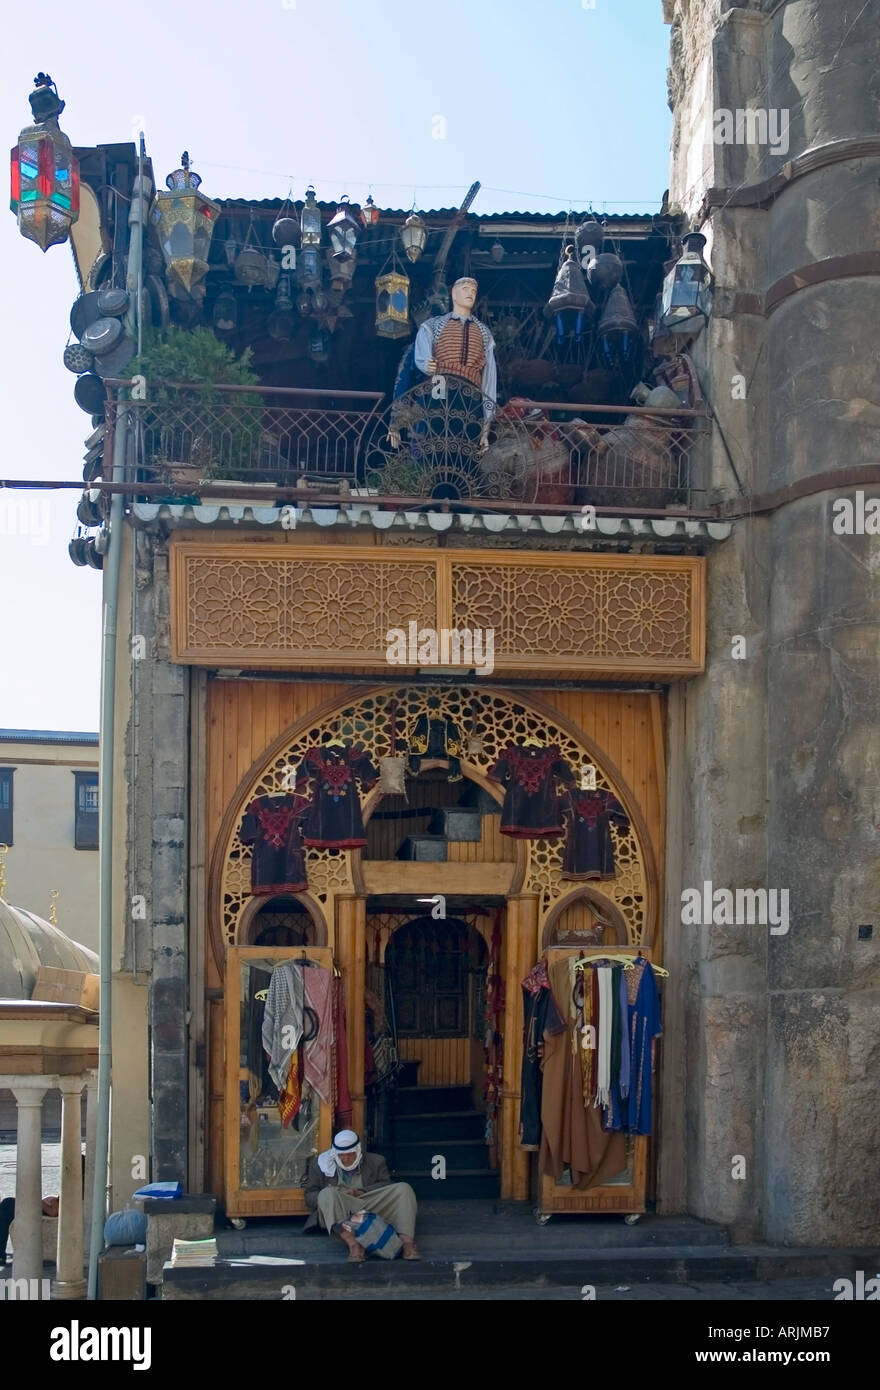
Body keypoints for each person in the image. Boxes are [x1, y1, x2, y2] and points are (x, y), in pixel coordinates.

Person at [303, 1129, 420, 1262]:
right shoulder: (320, 1164)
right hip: (340, 1207)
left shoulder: (376, 1161)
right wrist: (335, 1194)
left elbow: (386, 1184)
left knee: (404, 1188)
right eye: (341, 1155)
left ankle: (407, 1243)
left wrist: (362, 1191)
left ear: (358, 1150)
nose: (345, 1158)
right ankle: (354, 1244)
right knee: (326, 1194)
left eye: (350, 1154)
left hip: (367, 1205)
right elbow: (309, 1196)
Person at [0, 1195, 59, 1265]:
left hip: (35, 1215)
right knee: (4, 1211)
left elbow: (53, 1212)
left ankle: (1, 1254)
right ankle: (1, 1254)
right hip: (33, 1213)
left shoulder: (59, 1200)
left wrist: (35, 1199)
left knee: (7, 1204)